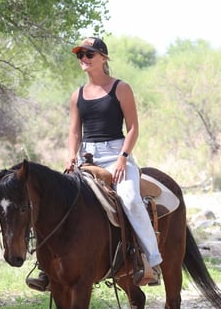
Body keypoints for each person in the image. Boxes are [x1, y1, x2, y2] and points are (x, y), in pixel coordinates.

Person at [26, 37, 163, 291]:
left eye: (89, 54)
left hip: (116, 154)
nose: (84, 59)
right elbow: (74, 132)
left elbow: (133, 128)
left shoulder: (121, 88)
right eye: (80, 55)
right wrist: (71, 154)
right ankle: (45, 267)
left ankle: (150, 261)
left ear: (103, 58)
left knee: (130, 198)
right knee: (56, 200)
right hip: (86, 156)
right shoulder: (77, 95)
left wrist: (123, 158)